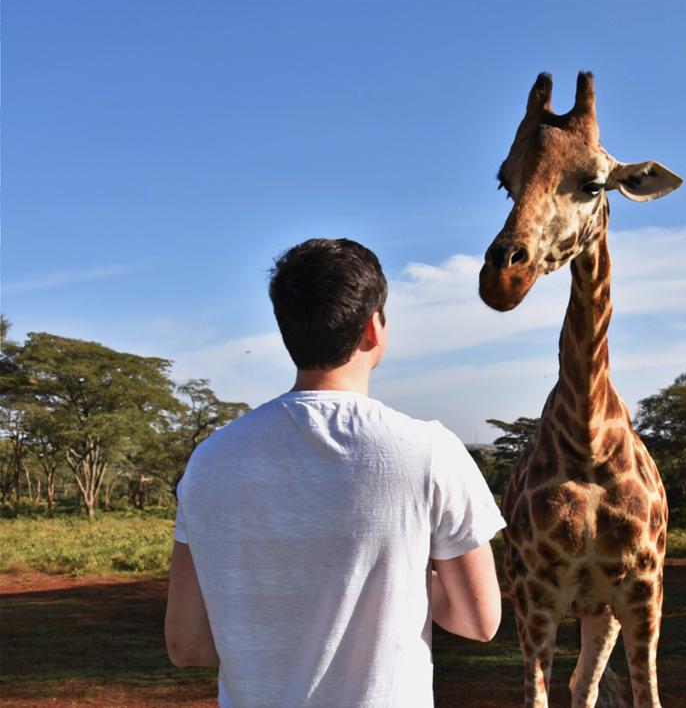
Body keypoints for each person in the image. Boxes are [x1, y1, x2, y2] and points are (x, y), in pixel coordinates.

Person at [164, 238, 506, 708]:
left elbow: (187, 646)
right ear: (374, 327)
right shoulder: (429, 452)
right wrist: (403, 575)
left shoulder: (210, 461)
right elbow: (479, 621)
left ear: (287, 330)